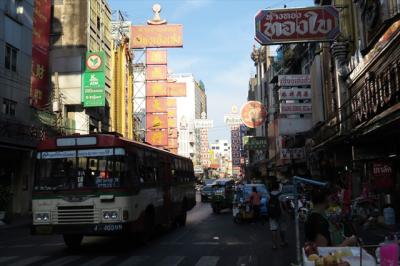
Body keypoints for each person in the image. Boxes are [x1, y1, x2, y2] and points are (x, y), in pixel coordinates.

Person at [268, 181, 288, 249]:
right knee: (282, 228)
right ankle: (282, 242)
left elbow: (267, 204)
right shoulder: (281, 195)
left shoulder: (269, 195)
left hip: (272, 214)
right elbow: (285, 205)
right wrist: (286, 211)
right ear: (278, 187)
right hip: (281, 214)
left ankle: (274, 245)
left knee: (273, 229)